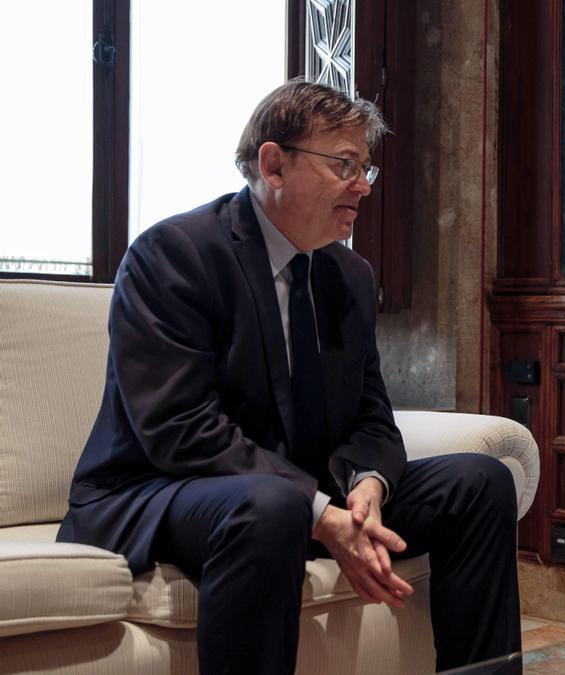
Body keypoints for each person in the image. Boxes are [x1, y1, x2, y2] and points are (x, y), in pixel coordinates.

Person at [58, 80, 520, 674]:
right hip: (158, 490)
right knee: (273, 505)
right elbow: (179, 429)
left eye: (367, 169)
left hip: (287, 495)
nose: (362, 186)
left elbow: (373, 416)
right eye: (344, 165)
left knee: (477, 482)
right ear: (274, 165)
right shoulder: (174, 254)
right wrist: (319, 512)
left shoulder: (349, 275)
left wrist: (367, 489)